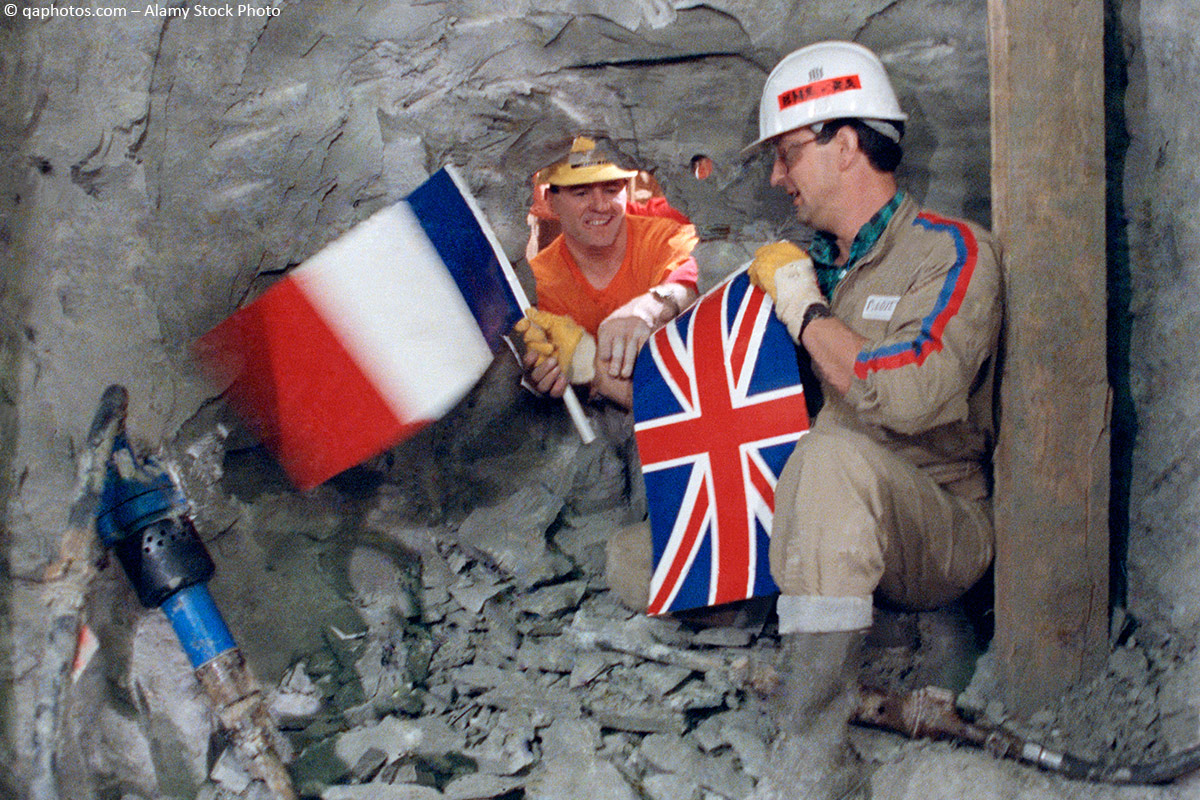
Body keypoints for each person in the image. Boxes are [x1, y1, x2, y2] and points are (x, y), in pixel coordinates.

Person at [743, 41, 1003, 799]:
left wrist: (806, 311)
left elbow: (921, 389)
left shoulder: (950, 251)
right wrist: (598, 365)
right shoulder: (812, 261)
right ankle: (858, 637)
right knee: (640, 564)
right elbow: (715, 386)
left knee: (826, 459)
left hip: (937, 519)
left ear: (846, 142)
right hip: (837, 522)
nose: (776, 177)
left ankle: (813, 755)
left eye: (787, 154)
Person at [516, 135, 699, 409]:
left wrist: (651, 306)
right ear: (551, 201)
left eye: (611, 189)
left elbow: (695, 282)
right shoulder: (540, 283)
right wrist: (545, 377)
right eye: (581, 192)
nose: (600, 205)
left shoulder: (664, 239)